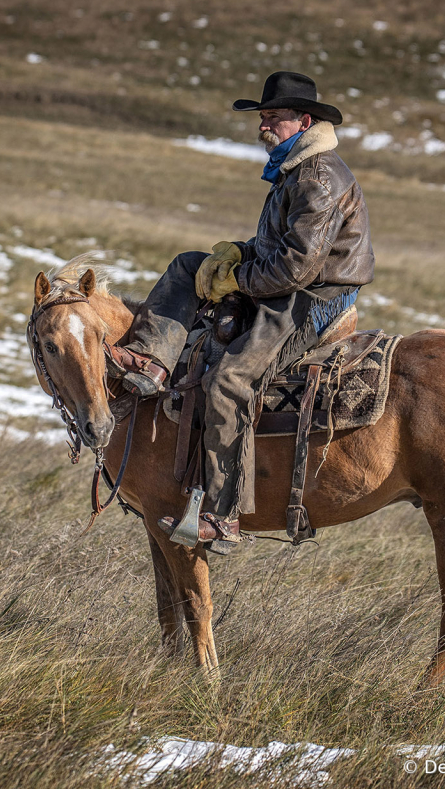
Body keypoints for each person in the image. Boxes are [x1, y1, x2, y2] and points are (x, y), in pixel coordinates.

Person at [109, 71, 374, 554]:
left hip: (314, 297)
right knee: (191, 264)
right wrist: (237, 251)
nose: (264, 126)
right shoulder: (295, 168)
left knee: (230, 381)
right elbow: (280, 245)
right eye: (263, 117)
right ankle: (151, 358)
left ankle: (224, 514)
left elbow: (296, 267)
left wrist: (237, 277)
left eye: (273, 117)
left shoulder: (317, 177)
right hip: (292, 282)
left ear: (304, 120)